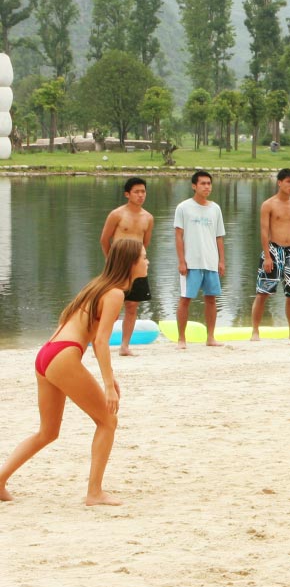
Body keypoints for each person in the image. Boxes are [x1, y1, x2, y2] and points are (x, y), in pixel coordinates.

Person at [0, 238, 148, 506]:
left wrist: (109, 376)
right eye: (144, 257)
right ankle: (94, 493)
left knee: (48, 432)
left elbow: (85, 331)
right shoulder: (115, 293)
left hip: (47, 353)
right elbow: (101, 341)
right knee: (108, 421)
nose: (147, 261)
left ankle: (0, 480)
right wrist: (107, 385)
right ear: (131, 263)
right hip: (63, 356)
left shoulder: (97, 285)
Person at [251, 168, 290, 340]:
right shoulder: (268, 204)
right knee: (263, 292)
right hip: (273, 250)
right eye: (288, 182)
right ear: (279, 182)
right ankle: (255, 331)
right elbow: (263, 232)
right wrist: (267, 256)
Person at [98, 176, 154, 356]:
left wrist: (140, 262)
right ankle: (100, 343)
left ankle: (124, 346)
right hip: (117, 266)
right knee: (111, 306)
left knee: (132, 306)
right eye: (136, 192)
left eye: (143, 192)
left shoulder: (148, 218)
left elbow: (145, 243)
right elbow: (104, 240)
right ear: (127, 194)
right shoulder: (117, 214)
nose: (140, 195)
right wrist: (111, 261)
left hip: (137, 267)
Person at [173, 170, 226, 349]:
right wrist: (182, 261)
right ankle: (181, 338)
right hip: (191, 262)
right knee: (185, 299)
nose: (206, 187)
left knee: (211, 299)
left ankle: (210, 337)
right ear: (194, 186)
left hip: (210, 261)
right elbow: (178, 236)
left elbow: (219, 236)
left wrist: (221, 261)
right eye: (203, 183)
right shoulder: (183, 207)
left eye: (209, 183)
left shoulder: (215, 208)